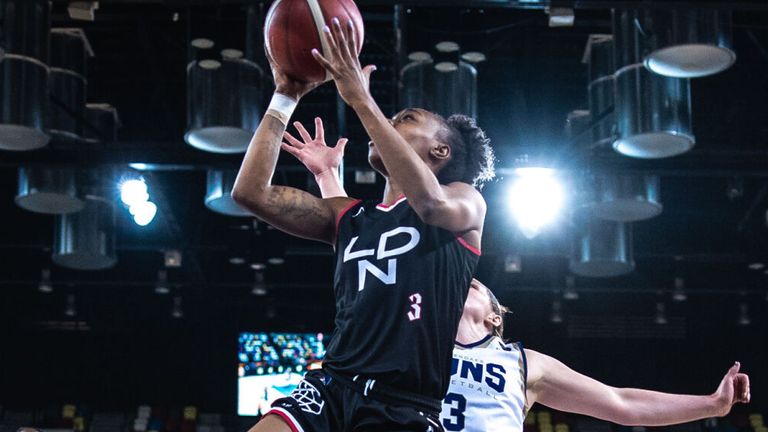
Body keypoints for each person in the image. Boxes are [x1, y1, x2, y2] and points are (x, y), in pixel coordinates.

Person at [283, 124, 752, 432]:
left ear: (494, 318)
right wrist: (330, 182)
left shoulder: (526, 367)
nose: (461, 284)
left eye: (475, 286)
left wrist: (710, 405)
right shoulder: (410, 342)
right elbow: (366, 249)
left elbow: (621, 403)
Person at [232, 16, 494, 432]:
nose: (390, 121)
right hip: (331, 387)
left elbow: (429, 202)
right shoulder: (348, 216)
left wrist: (360, 100)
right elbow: (250, 193)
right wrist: (284, 96)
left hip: (403, 403)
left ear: (440, 150)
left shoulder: (464, 201)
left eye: (406, 117)